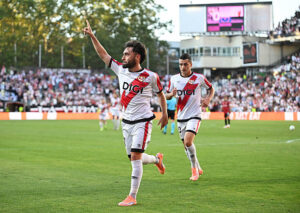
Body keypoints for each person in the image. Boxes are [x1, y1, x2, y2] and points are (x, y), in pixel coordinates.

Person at [83, 20, 168, 206]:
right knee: (133, 157)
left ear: (137, 56)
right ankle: (156, 159)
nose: (123, 57)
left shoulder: (150, 77)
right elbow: (103, 55)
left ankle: (132, 196)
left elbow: (161, 95)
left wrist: (165, 114)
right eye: (123, 53)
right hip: (126, 121)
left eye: (126, 54)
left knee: (135, 157)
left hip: (143, 121)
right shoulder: (120, 69)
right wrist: (92, 36)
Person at [166, 53, 214, 181]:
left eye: (185, 64)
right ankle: (198, 166)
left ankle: (194, 171)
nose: (183, 67)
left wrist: (208, 99)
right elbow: (166, 95)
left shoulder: (199, 78)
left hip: (194, 115)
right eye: (180, 64)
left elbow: (211, 89)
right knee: (186, 146)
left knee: (188, 142)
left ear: (190, 64)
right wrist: (171, 94)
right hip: (181, 116)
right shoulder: (174, 79)